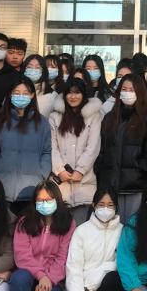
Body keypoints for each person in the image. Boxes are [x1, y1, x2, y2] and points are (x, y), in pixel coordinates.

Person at [3, 180, 75, 291]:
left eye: (48, 200)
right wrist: (40, 275)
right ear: (34, 202)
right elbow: (22, 255)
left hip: (53, 277)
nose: (44, 204)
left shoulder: (68, 223)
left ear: (57, 199)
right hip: (29, 272)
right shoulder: (24, 222)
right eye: (40, 200)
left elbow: (63, 257)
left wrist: (49, 278)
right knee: (18, 278)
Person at [59, 187, 124, 291]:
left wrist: (95, 278)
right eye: (101, 205)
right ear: (94, 205)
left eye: (110, 205)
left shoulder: (123, 231)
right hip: (85, 288)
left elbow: (122, 263)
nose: (106, 209)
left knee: (114, 277)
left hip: (107, 288)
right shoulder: (81, 231)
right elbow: (73, 269)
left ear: (116, 207)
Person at [97, 73, 147, 219]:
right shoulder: (110, 118)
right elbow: (102, 150)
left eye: (132, 90)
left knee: (133, 226)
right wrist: (102, 171)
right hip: (111, 185)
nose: (127, 93)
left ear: (140, 92)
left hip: (136, 186)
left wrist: (139, 168)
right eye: (124, 89)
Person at [0, 80, 52, 214]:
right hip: (3, 187)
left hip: (32, 188)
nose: (21, 96)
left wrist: (42, 174)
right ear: (10, 95)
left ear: (32, 95)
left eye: (25, 93)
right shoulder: (0, 121)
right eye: (16, 93)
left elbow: (46, 151)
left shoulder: (42, 122)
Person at [49, 78, 104, 225]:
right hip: (61, 182)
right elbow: (52, 146)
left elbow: (93, 146)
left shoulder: (94, 116)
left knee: (82, 227)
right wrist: (60, 169)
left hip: (85, 181)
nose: (73, 96)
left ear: (84, 94)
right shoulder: (55, 116)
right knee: (60, 228)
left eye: (77, 92)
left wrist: (81, 170)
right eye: (69, 93)